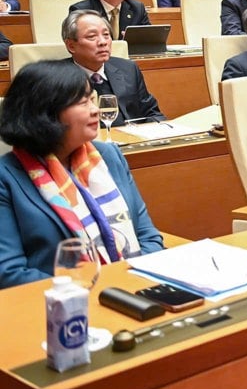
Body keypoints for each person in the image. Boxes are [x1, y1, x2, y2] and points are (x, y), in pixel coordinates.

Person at [0, 60, 164, 288]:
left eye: (92, 99)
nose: (95, 109)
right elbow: (9, 273)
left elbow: (148, 236)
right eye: (82, 102)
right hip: (60, 305)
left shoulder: (109, 156)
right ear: (46, 114)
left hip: (135, 288)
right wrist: (92, 286)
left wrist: (128, 282)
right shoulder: (7, 178)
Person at [63, 10, 164, 124]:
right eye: (92, 36)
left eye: (106, 35)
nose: (103, 42)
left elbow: (152, 113)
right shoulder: (56, 79)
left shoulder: (128, 68)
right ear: (71, 45)